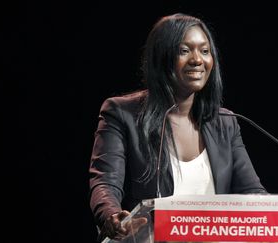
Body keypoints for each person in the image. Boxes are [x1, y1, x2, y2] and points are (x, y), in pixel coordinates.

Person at [88, 13, 267, 241]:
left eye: (204, 51)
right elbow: (105, 183)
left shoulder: (225, 122)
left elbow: (253, 193)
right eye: (184, 51)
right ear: (161, 57)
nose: (197, 60)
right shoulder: (122, 114)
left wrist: (275, 215)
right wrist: (111, 216)